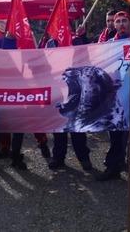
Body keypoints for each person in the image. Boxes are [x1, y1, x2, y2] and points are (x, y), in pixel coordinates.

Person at [45, 27, 93, 171]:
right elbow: (44, 65)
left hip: (75, 90)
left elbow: (85, 60)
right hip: (57, 90)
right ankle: (58, 157)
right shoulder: (50, 43)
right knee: (59, 126)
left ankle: (83, 157)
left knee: (76, 126)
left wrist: (82, 39)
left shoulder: (76, 41)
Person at [96, 10, 130, 181]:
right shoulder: (108, 44)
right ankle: (113, 166)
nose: (121, 24)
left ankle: (119, 163)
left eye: (125, 21)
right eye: (119, 21)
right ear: (114, 25)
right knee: (115, 132)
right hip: (114, 95)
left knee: (127, 132)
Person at [0, 33, 28, 171]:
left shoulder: (25, 44)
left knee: (18, 127)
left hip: (19, 92)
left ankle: (16, 157)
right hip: (0, 92)